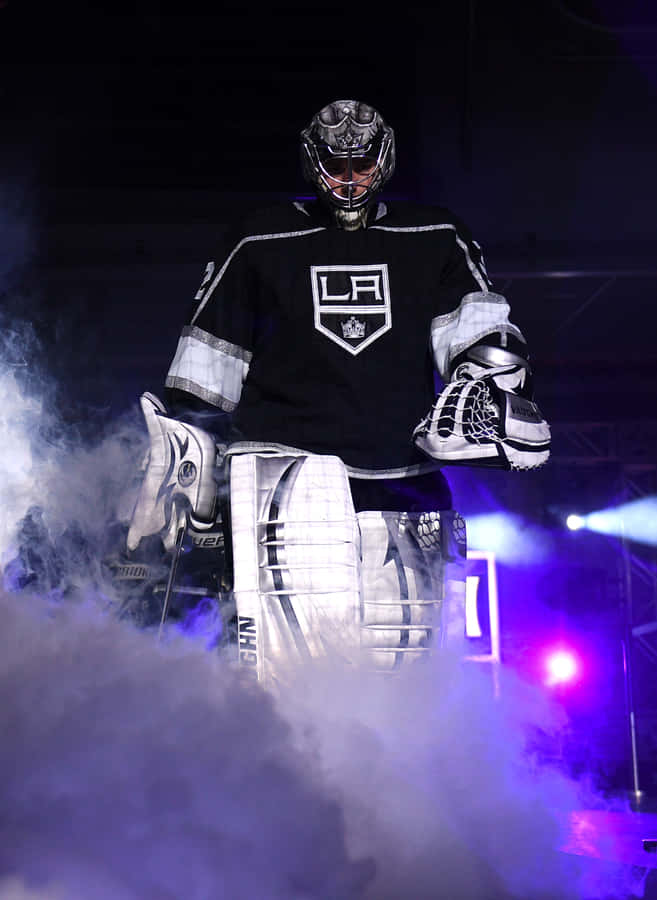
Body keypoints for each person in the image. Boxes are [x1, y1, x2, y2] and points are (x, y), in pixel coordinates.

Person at [128, 100, 550, 680]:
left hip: (405, 488)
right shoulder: (259, 240)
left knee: (413, 688)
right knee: (291, 687)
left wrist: (488, 382)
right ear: (312, 161)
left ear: (385, 160)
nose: (349, 179)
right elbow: (205, 369)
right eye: (336, 165)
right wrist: (189, 453)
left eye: (360, 165)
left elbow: (482, 332)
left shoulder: (435, 236)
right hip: (283, 488)